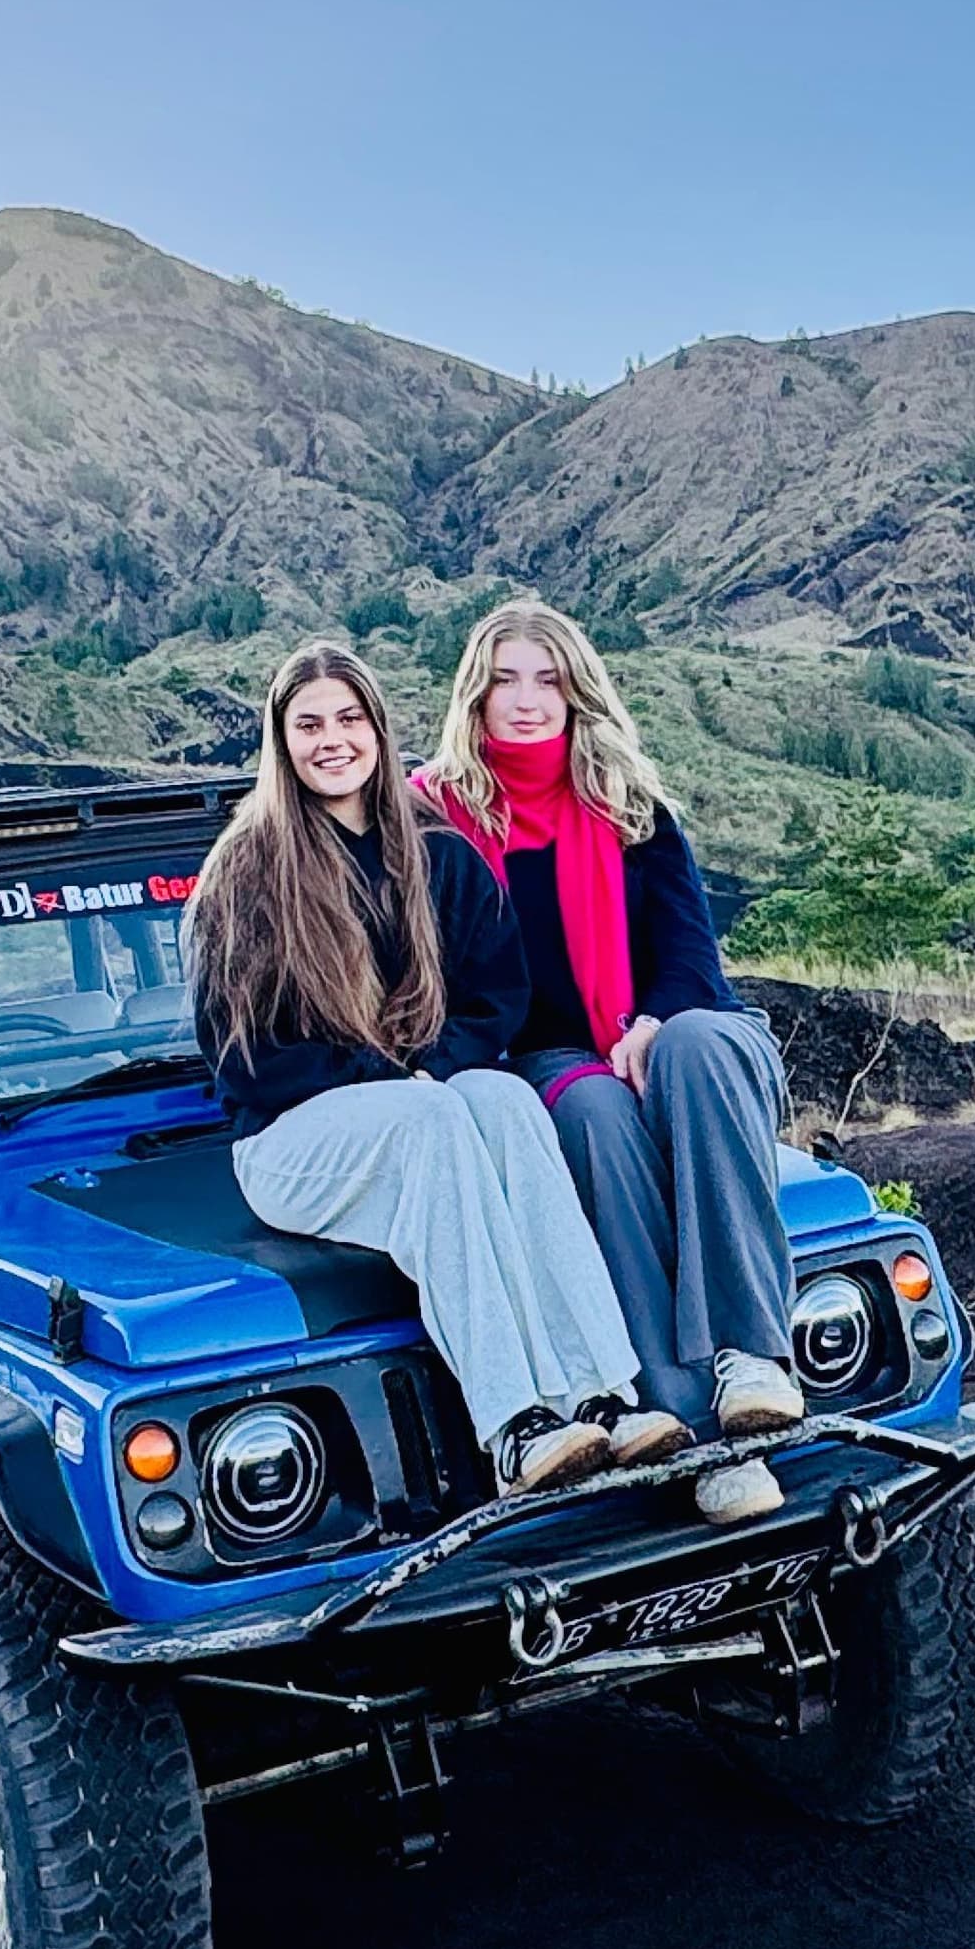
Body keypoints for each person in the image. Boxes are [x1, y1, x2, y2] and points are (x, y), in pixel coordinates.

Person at [189, 641, 687, 1497]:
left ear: (379, 731)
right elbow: (242, 1057)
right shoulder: (247, 872)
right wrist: (380, 1076)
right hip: (289, 1138)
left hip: (421, 1104)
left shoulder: (434, 852)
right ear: (282, 741)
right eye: (308, 725)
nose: (331, 740)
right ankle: (516, 1424)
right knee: (437, 1118)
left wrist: (433, 1065)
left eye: (349, 719)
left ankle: (602, 1395)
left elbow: (494, 999)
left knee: (500, 1097)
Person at [420, 599, 803, 1528]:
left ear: (577, 690)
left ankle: (752, 1359)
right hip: (541, 1054)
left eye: (546, 679)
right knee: (594, 1116)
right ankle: (689, 1425)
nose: (526, 701)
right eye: (505, 680)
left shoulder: (633, 807)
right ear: (475, 694)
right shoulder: (434, 821)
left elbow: (691, 959)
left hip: (666, 1023)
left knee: (704, 1047)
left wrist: (654, 1021)